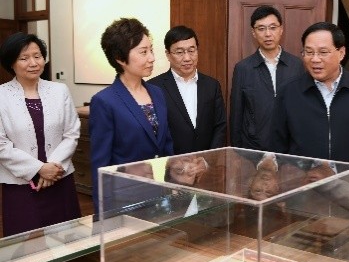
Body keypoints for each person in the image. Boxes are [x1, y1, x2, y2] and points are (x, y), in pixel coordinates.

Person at [272, 21, 349, 216]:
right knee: (300, 235)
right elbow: (277, 145)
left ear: (341, 53)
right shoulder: (289, 91)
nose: (315, 59)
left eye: (323, 52)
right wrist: (281, 189)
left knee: (344, 234)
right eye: (308, 52)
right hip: (302, 188)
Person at [0, 32, 81, 236]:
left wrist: (53, 167)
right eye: (24, 58)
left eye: (38, 56)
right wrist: (39, 169)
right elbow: (1, 144)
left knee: (67, 239)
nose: (33, 63)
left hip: (60, 178)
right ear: (11, 63)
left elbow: (71, 132)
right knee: (25, 242)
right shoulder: (1, 96)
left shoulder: (60, 91)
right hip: (20, 184)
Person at [90, 18, 173, 213]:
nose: (152, 58)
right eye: (143, 52)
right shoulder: (105, 101)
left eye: (151, 50)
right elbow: (101, 165)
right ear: (120, 58)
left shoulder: (157, 93)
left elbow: (167, 146)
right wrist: (104, 213)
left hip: (160, 193)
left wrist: (172, 186)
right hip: (126, 198)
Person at [230, 5, 304, 151]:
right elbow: (236, 114)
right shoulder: (243, 68)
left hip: (289, 148)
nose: (268, 34)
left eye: (273, 27)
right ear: (253, 32)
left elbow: (303, 109)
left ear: (281, 29)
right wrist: (237, 151)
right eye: (261, 29)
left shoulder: (296, 65)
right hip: (253, 148)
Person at [148, 25, 226, 154]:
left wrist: (210, 158)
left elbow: (220, 126)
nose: (187, 58)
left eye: (191, 50)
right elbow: (153, 133)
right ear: (168, 54)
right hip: (171, 162)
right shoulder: (154, 88)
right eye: (179, 52)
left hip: (205, 162)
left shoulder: (212, 85)